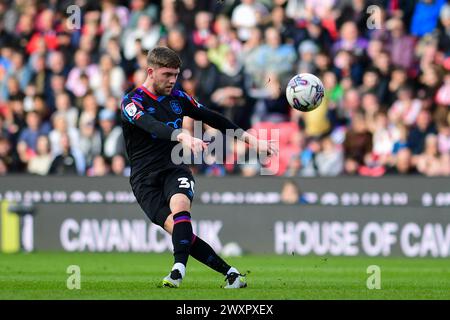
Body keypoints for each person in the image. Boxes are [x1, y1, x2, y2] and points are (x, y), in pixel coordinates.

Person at [120, 46, 277, 289]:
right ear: (151, 72)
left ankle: (176, 272)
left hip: (174, 167)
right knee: (182, 233)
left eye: (176, 75)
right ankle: (232, 273)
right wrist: (181, 135)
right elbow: (151, 125)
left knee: (181, 205)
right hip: (143, 179)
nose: (173, 80)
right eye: (167, 75)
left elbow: (215, 118)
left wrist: (253, 141)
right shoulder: (132, 102)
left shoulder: (179, 98)